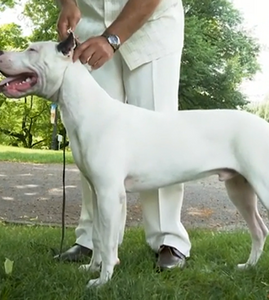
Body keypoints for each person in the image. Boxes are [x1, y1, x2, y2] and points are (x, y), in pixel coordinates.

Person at [55, 0, 191, 270]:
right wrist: (67, 2)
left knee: (158, 134)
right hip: (90, 29)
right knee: (94, 136)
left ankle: (168, 237)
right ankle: (94, 239)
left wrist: (112, 39)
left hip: (153, 26)